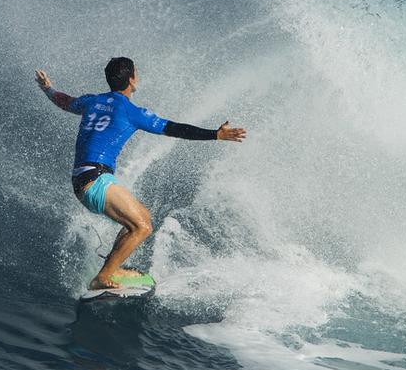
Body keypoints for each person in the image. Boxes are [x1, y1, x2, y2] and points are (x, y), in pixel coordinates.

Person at [35, 57, 247, 290]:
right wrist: (215, 135)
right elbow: (174, 129)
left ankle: (111, 268)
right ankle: (103, 277)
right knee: (142, 227)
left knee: (141, 218)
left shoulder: (91, 102)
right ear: (131, 79)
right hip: (95, 180)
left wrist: (48, 88)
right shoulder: (130, 111)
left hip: (85, 178)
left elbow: (65, 101)